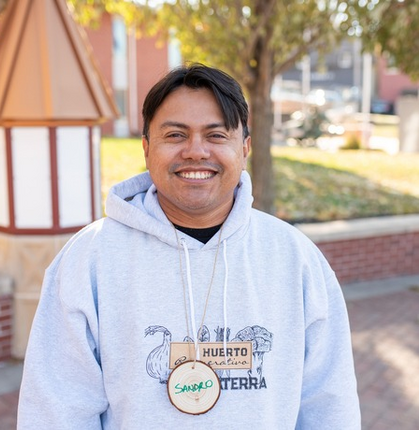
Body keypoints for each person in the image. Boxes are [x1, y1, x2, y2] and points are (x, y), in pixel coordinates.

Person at [18, 64, 360, 429]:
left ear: (244, 147)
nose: (196, 151)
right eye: (176, 135)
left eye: (215, 135)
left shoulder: (296, 259)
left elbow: (329, 404)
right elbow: (56, 412)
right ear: (147, 149)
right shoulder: (90, 260)